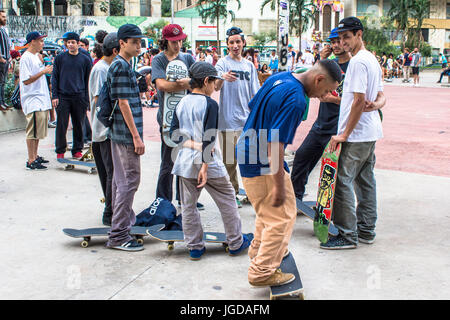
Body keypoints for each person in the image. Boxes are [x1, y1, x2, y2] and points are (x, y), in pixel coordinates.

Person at [236, 59, 342, 287]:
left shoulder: (279, 78)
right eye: (324, 91)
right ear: (319, 78)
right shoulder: (296, 100)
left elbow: (252, 106)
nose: (320, 97)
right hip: (261, 159)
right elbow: (275, 145)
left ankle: (259, 251)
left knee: (273, 211)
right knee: (280, 218)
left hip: (247, 150)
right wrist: (277, 185)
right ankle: (262, 271)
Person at [169, 61, 253, 260]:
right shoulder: (210, 104)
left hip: (184, 162)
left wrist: (194, 145)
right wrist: (204, 168)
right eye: (214, 82)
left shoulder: (182, 102)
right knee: (227, 200)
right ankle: (236, 242)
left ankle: (195, 247)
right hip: (208, 162)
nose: (215, 86)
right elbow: (209, 138)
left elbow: (174, 134)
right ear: (206, 81)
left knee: (188, 207)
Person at [321, 16, 385, 250]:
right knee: (365, 181)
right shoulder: (372, 59)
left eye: (347, 37)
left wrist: (344, 134)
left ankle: (348, 235)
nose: (344, 42)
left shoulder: (358, 62)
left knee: (342, 181)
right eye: (340, 38)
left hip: (357, 134)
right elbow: (380, 96)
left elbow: (358, 101)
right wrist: (377, 106)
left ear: (359, 35)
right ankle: (366, 230)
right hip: (370, 132)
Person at [291, 28, 351, 201]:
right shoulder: (328, 64)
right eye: (332, 42)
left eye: (338, 41)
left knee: (331, 170)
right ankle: (296, 199)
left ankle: (328, 208)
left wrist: (334, 100)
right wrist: (321, 59)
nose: (336, 45)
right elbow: (312, 79)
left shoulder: (353, 66)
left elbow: (358, 102)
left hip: (338, 126)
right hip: (320, 124)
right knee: (302, 157)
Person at [151, 24, 201, 208]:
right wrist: (186, 84)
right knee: (168, 160)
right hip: (167, 117)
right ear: (166, 41)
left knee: (188, 159)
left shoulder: (187, 58)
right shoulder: (158, 60)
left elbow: (198, 80)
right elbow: (162, 85)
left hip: (187, 117)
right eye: (173, 42)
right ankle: (163, 200)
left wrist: (189, 83)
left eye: (180, 40)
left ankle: (186, 198)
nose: (177, 45)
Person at [105, 24, 145, 251]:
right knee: (129, 181)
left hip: (121, 134)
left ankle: (121, 224)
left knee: (121, 182)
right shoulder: (120, 66)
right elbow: (122, 103)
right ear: (122, 43)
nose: (139, 45)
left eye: (139, 41)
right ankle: (119, 234)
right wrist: (137, 137)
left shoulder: (124, 65)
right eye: (134, 42)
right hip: (125, 134)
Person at [215, 26, 260, 208]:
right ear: (227, 44)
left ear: (243, 43)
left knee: (249, 160)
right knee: (229, 163)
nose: (235, 45)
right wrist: (222, 77)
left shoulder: (249, 65)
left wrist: (257, 117)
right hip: (226, 122)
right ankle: (232, 194)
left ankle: (251, 194)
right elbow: (215, 87)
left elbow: (255, 94)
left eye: (238, 42)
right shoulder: (222, 64)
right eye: (232, 42)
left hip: (247, 121)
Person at [88, 32, 120, 226]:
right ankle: (110, 212)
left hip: (104, 130)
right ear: (115, 50)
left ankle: (112, 207)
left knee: (110, 172)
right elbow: (100, 102)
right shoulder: (101, 69)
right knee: (111, 173)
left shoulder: (107, 67)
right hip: (103, 130)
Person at [52, 32, 92, 160]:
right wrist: (55, 96)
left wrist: (87, 98)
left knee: (79, 124)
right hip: (63, 96)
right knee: (61, 124)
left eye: (73, 42)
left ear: (78, 43)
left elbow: (88, 80)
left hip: (79, 96)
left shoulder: (85, 59)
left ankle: (77, 149)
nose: (70, 45)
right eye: (68, 42)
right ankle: (60, 150)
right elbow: (55, 77)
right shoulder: (60, 58)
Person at [20, 31, 53, 170]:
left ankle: (35, 155)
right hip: (32, 99)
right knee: (32, 131)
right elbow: (26, 80)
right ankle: (31, 159)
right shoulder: (26, 58)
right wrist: (43, 72)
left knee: (38, 131)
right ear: (32, 41)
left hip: (40, 99)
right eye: (40, 41)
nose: (42, 43)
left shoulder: (35, 57)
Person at [0, 10, 11, 111]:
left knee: (3, 82)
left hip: (6, 59)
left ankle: (3, 101)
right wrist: (1, 57)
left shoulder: (3, 29)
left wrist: (9, 56)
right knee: (0, 82)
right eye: (3, 17)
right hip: (2, 59)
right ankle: (0, 102)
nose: (5, 18)